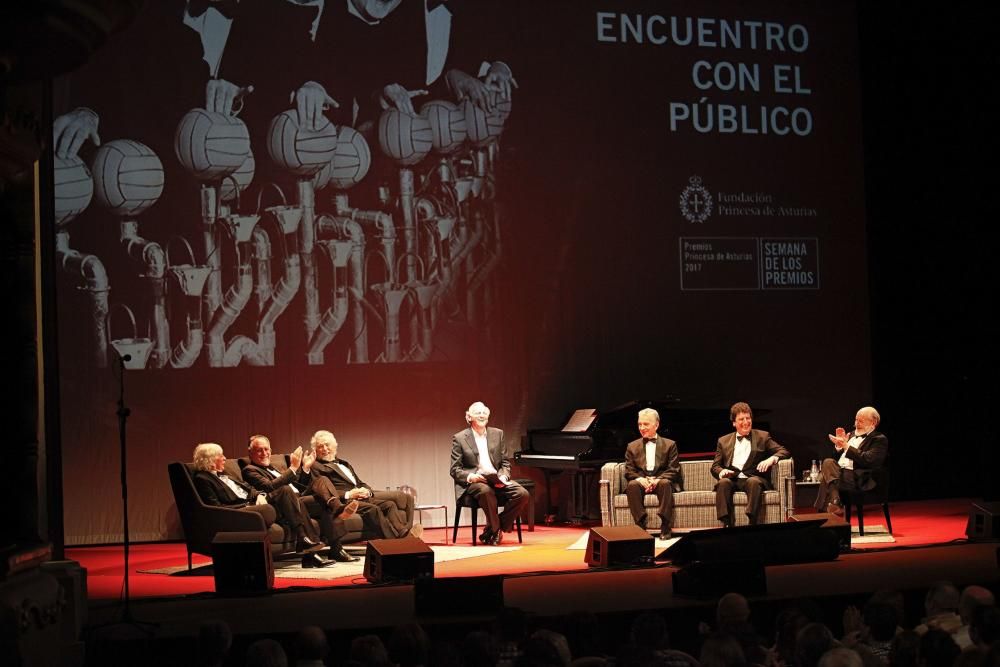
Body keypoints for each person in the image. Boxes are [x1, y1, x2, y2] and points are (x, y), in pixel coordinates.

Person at [190, 442, 325, 555]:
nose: (225, 458)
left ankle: (305, 542)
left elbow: (250, 489)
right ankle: (304, 539)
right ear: (209, 459)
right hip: (244, 510)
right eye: (221, 456)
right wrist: (246, 507)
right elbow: (215, 508)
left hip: (259, 503)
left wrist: (260, 495)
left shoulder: (227, 476)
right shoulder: (203, 479)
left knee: (293, 493)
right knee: (284, 490)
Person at [241, 434, 359, 562]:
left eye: (266, 449)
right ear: (250, 452)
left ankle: (336, 517)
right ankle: (313, 551)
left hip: (298, 499)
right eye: (259, 450)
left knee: (322, 484)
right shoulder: (249, 470)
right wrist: (292, 468)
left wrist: (305, 467)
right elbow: (269, 487)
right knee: (285, 489)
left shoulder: (274, 468)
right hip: (282, 505)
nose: (264, 453)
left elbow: (299, 487)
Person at [309, 429, 418, 540]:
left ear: (334, 446)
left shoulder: (344, 464)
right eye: (320, 446)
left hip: (361, 498)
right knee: (373, 509)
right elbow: (322, 489)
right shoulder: (316, 466)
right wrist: (349, 494)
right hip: (346, 501)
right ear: (316, 450)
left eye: (327, 445)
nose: (325, 449)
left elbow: (360, 482)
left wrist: (367, 491)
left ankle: (403, 532)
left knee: (389, 505)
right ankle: (395, 541)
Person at [450, 401, 529, 545]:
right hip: (476, 481)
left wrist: (503, 476)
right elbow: (455, 470)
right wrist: (471, 477)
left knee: (522, 494)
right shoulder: (460, 438)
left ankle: (493, 528)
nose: (482, 415)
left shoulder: (498, 434)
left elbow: (505, 462)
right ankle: (495, 530)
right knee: (486, 490)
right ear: (469, 417)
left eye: (484, 413)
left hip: (496, 477)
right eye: (478, 413)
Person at [711, 402, 790, 527]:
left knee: (752, 482)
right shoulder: (723, 441)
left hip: (753, 478)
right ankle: (726, 523)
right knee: (723, 483)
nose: (746, 422)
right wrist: (721, 471)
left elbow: (783, 451)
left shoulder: (762, 436)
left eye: (748, 418)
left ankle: (752, 522)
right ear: (734, 423)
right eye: (741, 419)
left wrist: (771, 459)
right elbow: (715, 466)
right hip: (733, 479)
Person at [814, 406, 888, 515]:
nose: (856, 423)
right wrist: (838, 446)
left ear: (873, 422)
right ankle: (835, 501)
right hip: (840, 474)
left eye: (861, 421)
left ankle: (824, 516)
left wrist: (846, 446)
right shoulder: (852, 435)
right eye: (856, 420)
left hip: (858, 477)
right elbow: (835, 460)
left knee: (826, 478)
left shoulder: (879, 439)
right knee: (828, 462)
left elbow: (869, 459)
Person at [623, 408, 681, 539]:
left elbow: (673, 469)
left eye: (646, 424)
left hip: (661, 481)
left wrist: (656, 480)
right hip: (642, 481)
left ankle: (665, 526)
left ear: (657, 425)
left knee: (665, 483)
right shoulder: (632, 446)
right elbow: (629, 471)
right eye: (640, 424)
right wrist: (640, 479)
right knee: (632, 485)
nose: (642, 428)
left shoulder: (670, 445)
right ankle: (640, 525)